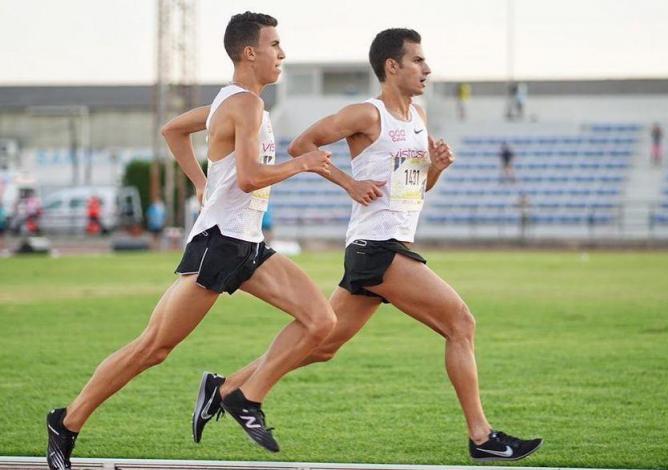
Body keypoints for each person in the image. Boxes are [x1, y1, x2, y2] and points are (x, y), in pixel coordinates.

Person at [194, 28, 543, 463]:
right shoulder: (367, 114)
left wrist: (435, 169)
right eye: (417, 60)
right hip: (378, 249)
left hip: (387, 246)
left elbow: (417, 190)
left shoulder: (419, 116)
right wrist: (348, 182)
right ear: (391, 66)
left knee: (322, 346)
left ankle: (223, 389)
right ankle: (482, 437)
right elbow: (303, 144)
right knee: (460, 323)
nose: (427, 68)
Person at [45, 12, 337, 470]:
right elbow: (248, 177)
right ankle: (67, 422)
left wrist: (200, 182)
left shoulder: (233, 103)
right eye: (275, 45)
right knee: (153, 349)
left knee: (321, 322)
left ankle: (234, 393)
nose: (282, 54)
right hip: (220, 244)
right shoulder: (244, 105)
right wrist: (305, 164)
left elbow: (173, 130)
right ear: (250, 53)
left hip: (247, 242)